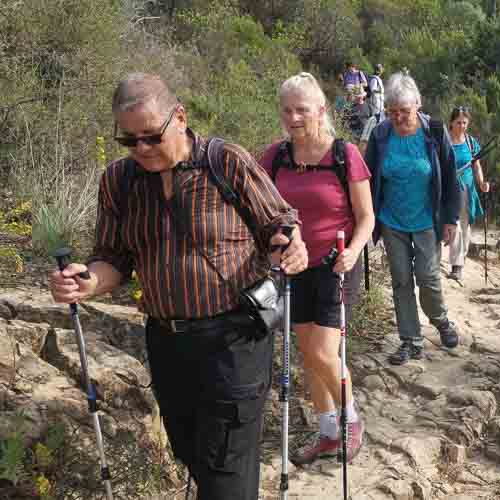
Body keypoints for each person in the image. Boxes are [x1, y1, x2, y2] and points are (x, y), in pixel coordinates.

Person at [48, 73, 308, 500]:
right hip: (168, 344)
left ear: (180, 117)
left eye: (151, 137)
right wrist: (87, 282)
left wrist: (290, 244)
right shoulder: (119, 181)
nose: (142, 150)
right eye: (129, 141)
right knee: (192, 454)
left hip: (234, 340)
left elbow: (278, 223)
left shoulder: (225, 162)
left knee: (226, 469)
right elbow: (113, 259)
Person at [258, 72, 374, 465]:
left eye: (302, 109)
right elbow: (258, 208)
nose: (293, 117)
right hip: (293, 265)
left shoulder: (344, 155)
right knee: (308, 354)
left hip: (335, 263)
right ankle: (327, 431)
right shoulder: (275, 157)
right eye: (287, 110)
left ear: (321, 110)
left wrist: (355, 251)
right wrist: (272, 245)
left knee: (324, 352)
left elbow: (367, 217)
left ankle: (351, 421)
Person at [363, 72, 461, 366]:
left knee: (429, 279)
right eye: (392, 112)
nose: (398, 118)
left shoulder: (434, 131)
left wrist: (451, 218)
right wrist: (366, 218)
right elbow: (367, 180)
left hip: (427, 221)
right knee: (401, 281)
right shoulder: (381, 135)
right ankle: (410, 341)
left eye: (403, 111)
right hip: (392, 220)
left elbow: (450, 175)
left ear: (417, 105)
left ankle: (441, 320)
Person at [447, 106, 490, 280]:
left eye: (465, 122)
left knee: (464, 224)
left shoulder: (471, 143)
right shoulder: (445, 141)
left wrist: (481, 183)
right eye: (459, 122)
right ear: (451, 122)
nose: (462, 126)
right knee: (454, 223)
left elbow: (476, 166)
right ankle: (457, 265)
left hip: (467, 188)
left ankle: (461, 257)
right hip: (449, 189)